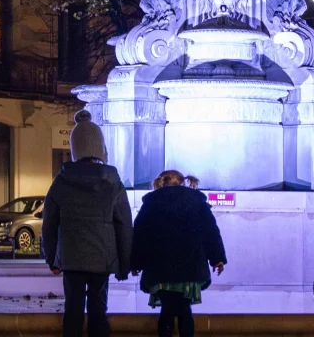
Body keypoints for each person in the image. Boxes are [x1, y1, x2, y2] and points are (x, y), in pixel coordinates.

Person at [44, 110, 132, 337]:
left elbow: (49, 224)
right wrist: (124, 263)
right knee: (98, 310)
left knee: (72, 310)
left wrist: (51, 258)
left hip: (71, 257)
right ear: (101, 149)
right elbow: (124, 225)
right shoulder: (113, 182)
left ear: (75, 150)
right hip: (103, 258)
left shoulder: (61, 181)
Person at [130, 170, 226, 337]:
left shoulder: (152, 203)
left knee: (167, 309)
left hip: (160, 268)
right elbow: (210, 231)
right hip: (191, 267)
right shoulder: (197, 202)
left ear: (161, 183)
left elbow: (140, 234)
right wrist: (217, 258)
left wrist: (135, 263)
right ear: (183, 183)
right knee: (184, 308)